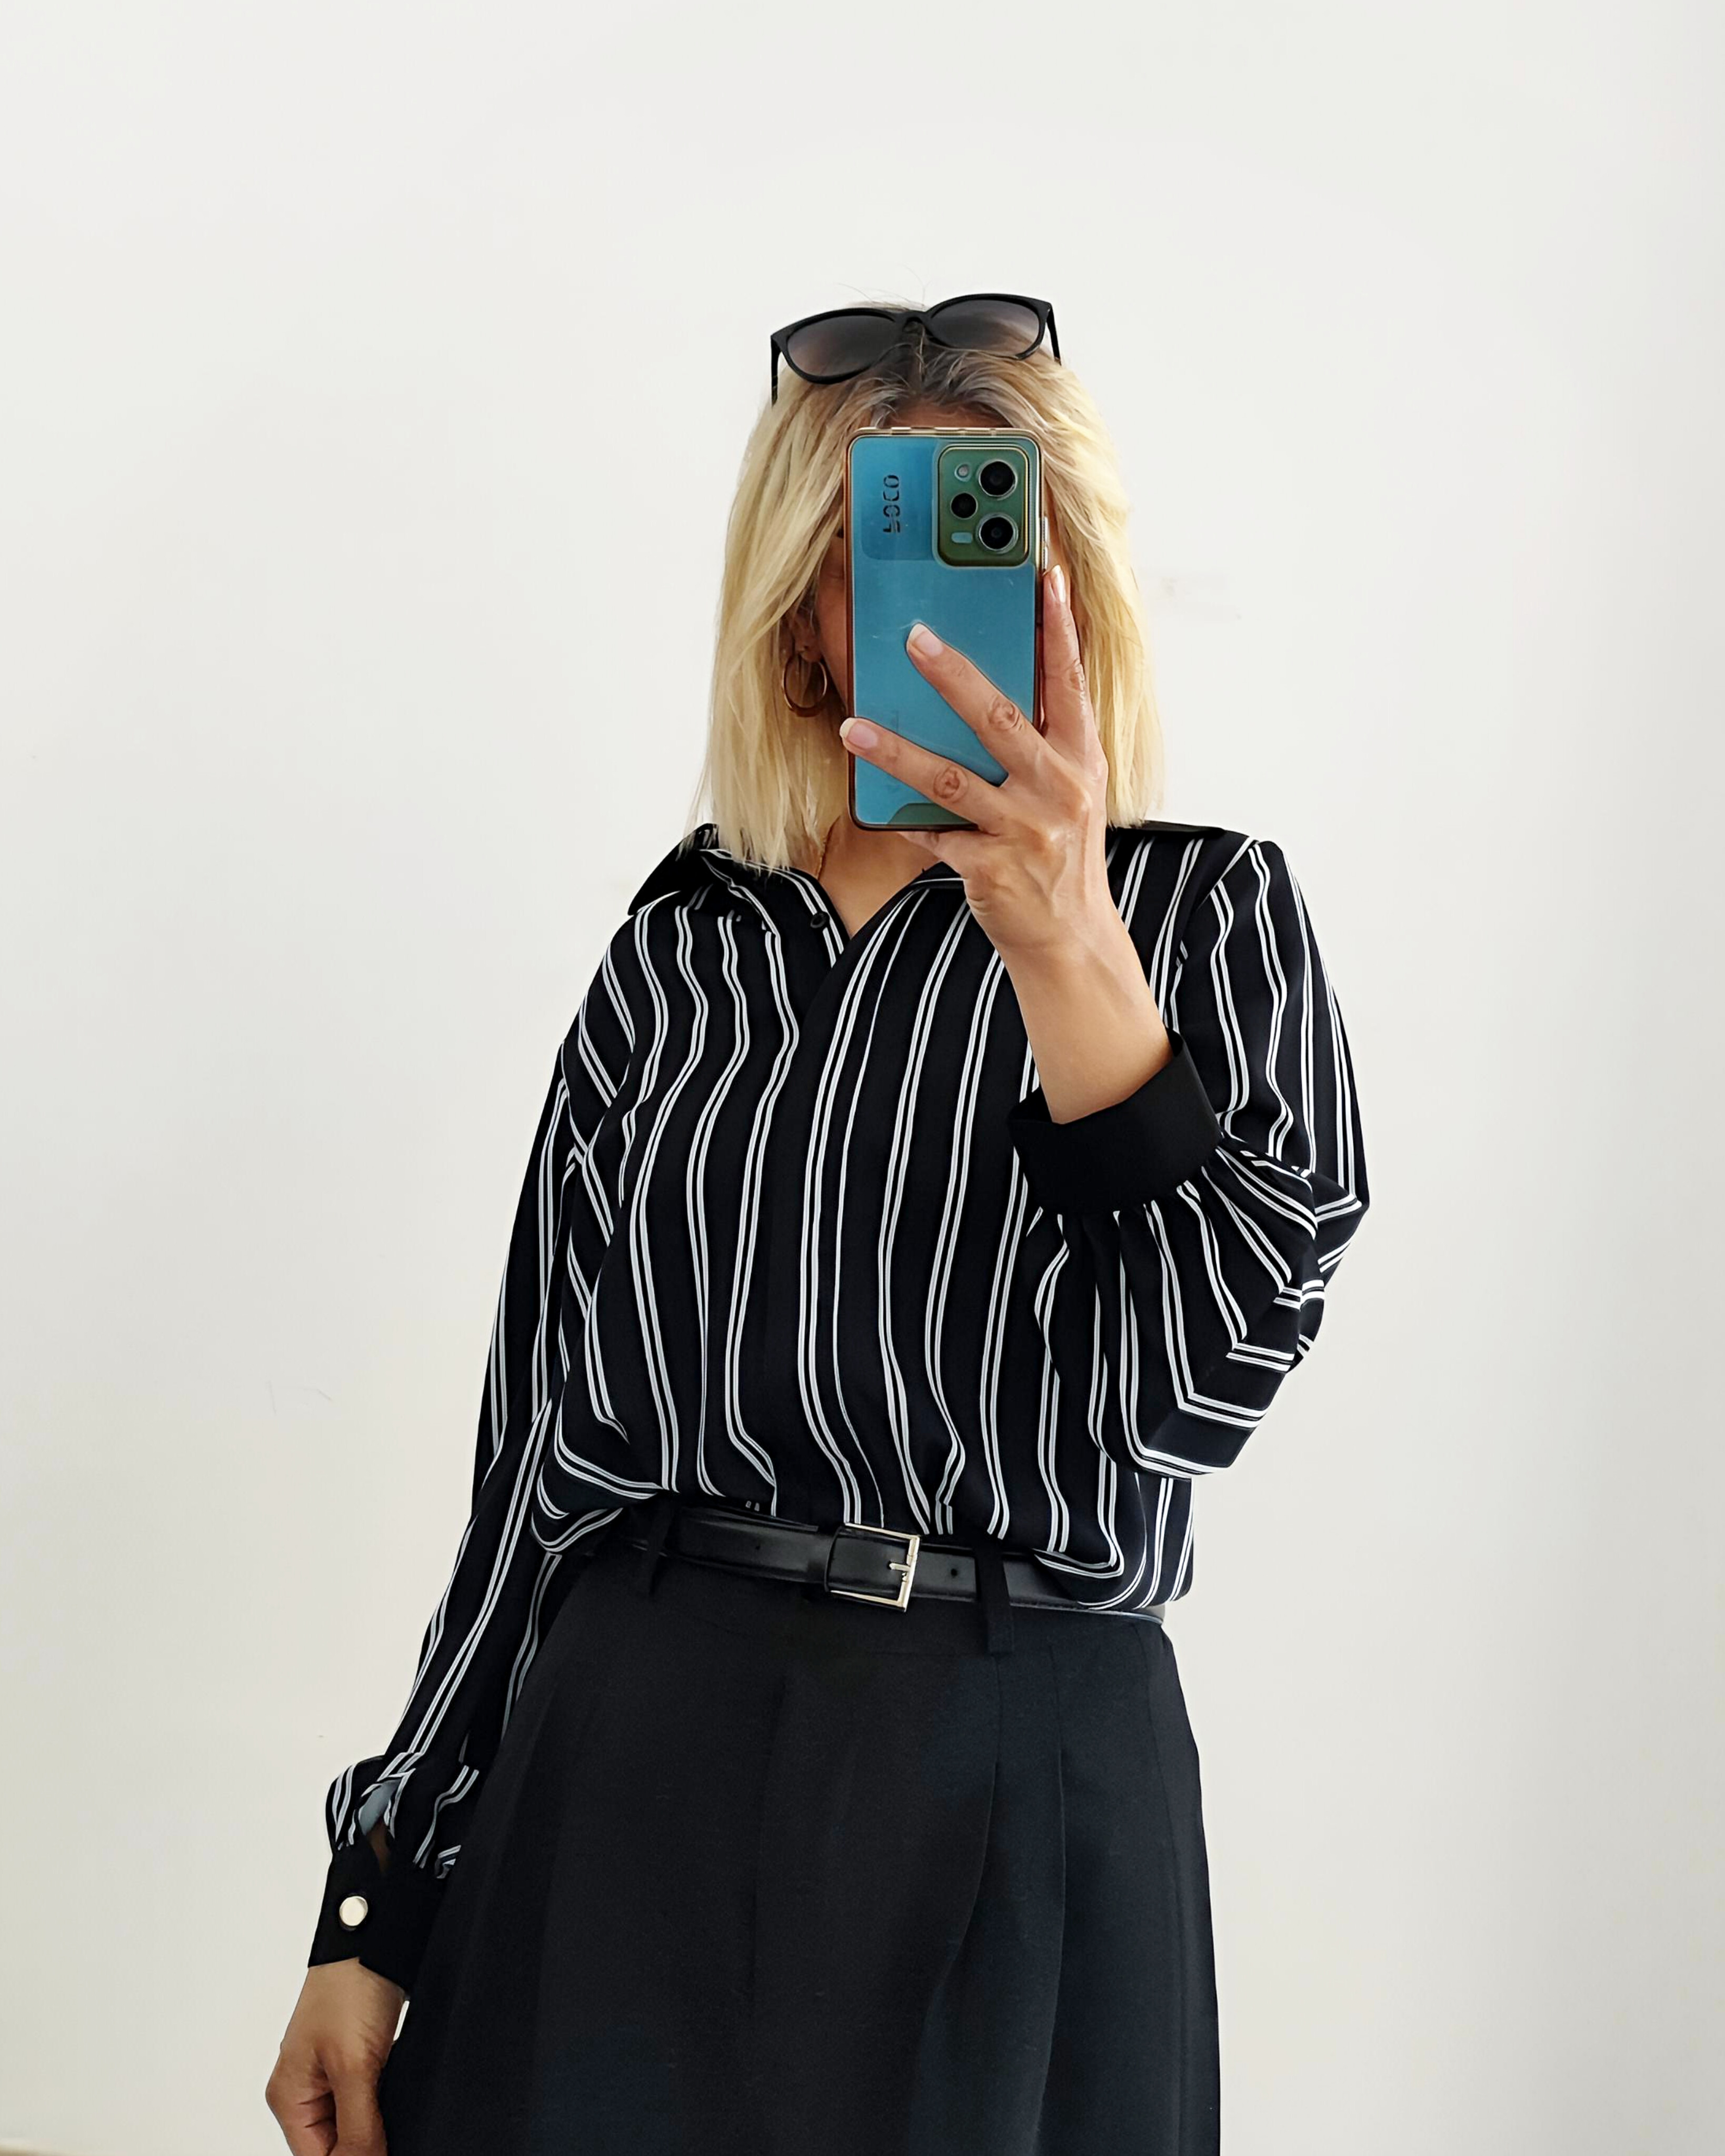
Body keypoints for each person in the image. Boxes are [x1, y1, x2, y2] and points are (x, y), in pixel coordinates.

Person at [265, 295, 1370, 2156]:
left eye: (1004, 557)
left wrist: (1066, 950)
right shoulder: (684, 944)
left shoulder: (1208, 925)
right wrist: (375, 1903)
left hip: (1016, 1787)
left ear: (1078, 595)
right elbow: (539, 1472)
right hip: (631, 1760)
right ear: (802, 618)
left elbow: (1196, 1395)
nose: (951, 623)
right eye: (891, 557)